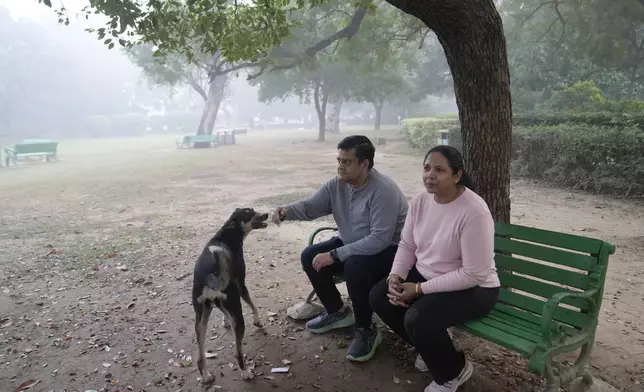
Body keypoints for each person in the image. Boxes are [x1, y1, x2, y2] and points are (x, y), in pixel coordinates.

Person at [369, 145, 500, 392]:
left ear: (457, 175)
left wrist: (419, 289)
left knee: (419, 319)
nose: (430, 175)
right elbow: (408, 244)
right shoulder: (420, 201)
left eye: (439, 170)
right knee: (380, 297)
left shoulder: (474, 211)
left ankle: (453, 371)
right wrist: (395, 276)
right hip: (430, 276)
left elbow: (474, 273)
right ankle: (434, 348)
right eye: (427, 168)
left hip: (475, 288)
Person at [273, 135, 408, 362]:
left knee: (355, 266)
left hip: (391, 251)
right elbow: (310, 206)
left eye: (346, 161)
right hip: (352, 242)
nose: (340, 166)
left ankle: (366, 329)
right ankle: (337, 313)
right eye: (338, 160)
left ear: (365, 164)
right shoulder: (337, 184)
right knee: (310, 255)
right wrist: (286, 211)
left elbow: (379, 239)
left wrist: (335, 254)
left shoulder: (384, 190)